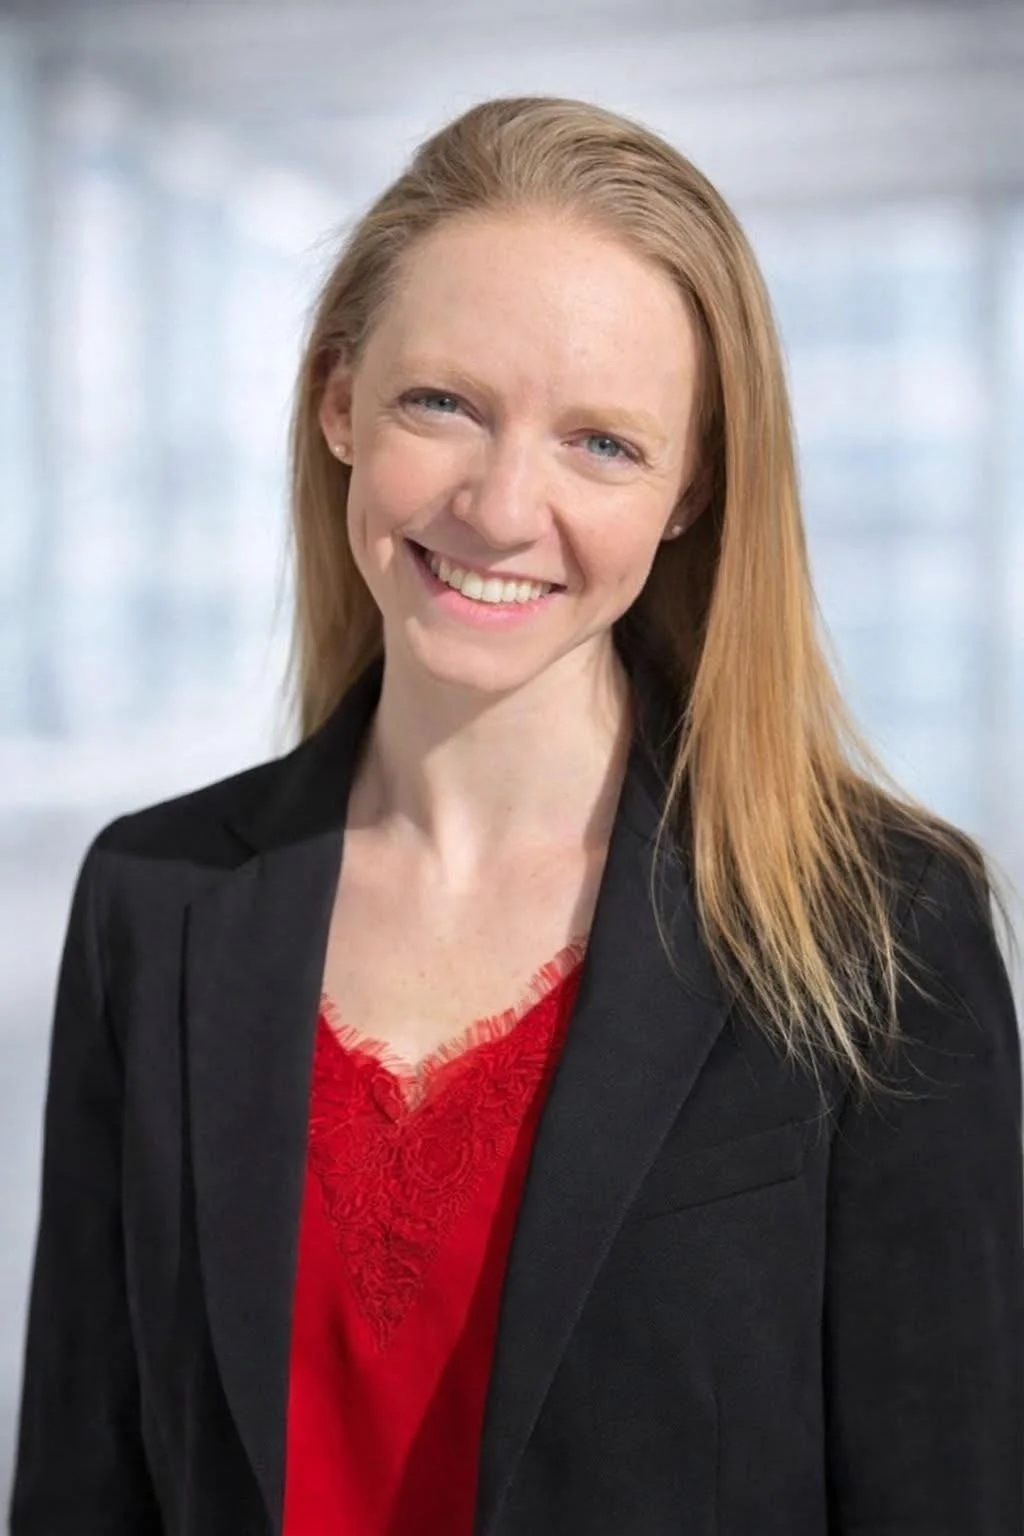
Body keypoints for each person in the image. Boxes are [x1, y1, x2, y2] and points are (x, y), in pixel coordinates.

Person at [8, 94, 1022, 1536]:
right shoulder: (153, 899)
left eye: (602, 443)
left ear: (690, 494)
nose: (498, 505)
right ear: (338, 399)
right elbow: (80, 1483)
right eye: (445, 404)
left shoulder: (877, 923)